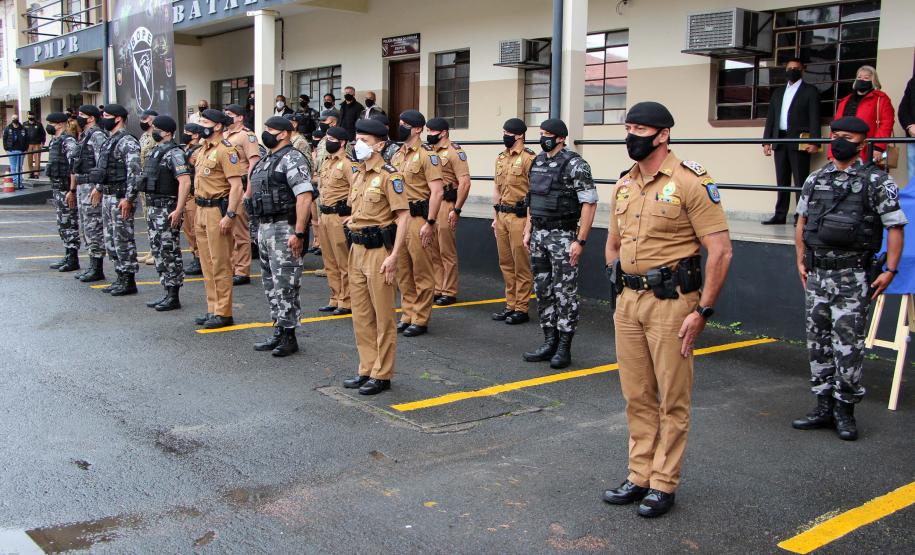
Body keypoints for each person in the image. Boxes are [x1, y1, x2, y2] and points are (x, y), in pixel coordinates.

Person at [602, 101, 732, 518]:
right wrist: (617, 279)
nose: (631, 136)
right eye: (628, 128)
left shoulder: (691, 181)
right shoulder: (624, 184)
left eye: (640, 129)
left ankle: (663, 483)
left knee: (672, 399)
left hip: (672, 304)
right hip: (629, 301)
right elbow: (613, 243)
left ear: (663, 135)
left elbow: (720, 251)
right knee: (636, 395)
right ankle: (639, 475)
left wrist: (703, 311)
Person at [792, 116, 907, 441]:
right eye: (836, 135)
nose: (840, 141)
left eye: (848, 137)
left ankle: (845, 410)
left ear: (863, 144)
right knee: (818, 343)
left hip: (853, 276)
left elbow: (895, 226)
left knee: (848, 346)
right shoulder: (816, 178)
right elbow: (802, 221)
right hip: (818, 274)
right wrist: (800, 259)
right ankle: (823, 406)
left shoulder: (877, 181)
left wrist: (890, 270)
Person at [521, 118, 597, 369]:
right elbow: (532, 199)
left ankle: (564, 347)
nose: (543, 138)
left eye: (548, 134)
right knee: (543, 290)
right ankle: (549, 341)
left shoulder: (576, 165)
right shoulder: (537, 162)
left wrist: (580, 240)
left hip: (563, 236)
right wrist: (528, 229)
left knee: (564, 292)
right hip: (539, 235)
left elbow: (589, 203)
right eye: (541, 133)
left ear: (561, 138)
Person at [340, 117, 409, 395]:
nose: (358, 144)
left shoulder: (391, 176)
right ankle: (366, 368)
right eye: (357, 139)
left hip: (379, 252)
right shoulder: (359, 173)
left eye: (364, 141)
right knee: (361, 315)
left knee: (383, 317)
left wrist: (394, 256)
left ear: (379, 145)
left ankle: (382, 373)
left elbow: (403, 218)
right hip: (356, 249)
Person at [247, 116, 316, 356]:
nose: (266, 133)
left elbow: (304, 197)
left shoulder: (293, 158)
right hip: (265, 227)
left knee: (286, 283)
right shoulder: (266, 160)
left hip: (284, 228)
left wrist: (299, 232)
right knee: (270, 283)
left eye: (271, 130)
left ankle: (289, 335)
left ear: (284, 133)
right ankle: (278, 329)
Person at [390, 110, 444, 337]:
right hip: (399, 219)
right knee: (403, 270)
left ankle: (420, 318)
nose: (400, 127)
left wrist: (430, 222)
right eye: (400, 123)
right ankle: (408, 313)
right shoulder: (397, 155)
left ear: (418, 129)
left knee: (421, 271)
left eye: (405, 124)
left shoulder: (427, 155)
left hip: (418, 218)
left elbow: (437, 192)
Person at [192, 108, 247, 329]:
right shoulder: (204, 149)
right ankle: (212, 308)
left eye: (205, 122)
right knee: (206, 263)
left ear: (217, 126)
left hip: (217, 210)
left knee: (220, 263)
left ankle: (223, 311)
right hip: (201, 208)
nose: (200, 125)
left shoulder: (226, 150)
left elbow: (236, 186)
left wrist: (230, 214)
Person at [137, 115, 192, 311]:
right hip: (154, 208)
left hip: (167, 208)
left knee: (169, 250)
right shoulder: (156, 151)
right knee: (158, 250)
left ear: (167, 132)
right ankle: (166, 290)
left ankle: (173, 295)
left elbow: (185, 182)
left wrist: (178, 209)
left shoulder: (174, 153)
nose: (153, 131)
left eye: (157, 128)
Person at [761, 58, 821, 225]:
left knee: (801, 180)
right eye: (789, 68)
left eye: (796, 68)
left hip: (799, 139)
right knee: (782, 179)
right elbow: (771, 118)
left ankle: (800, 217)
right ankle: (780, 215)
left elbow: (814, 117)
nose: (792, 71)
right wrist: (766, 141)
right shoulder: (778, 92)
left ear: (802, 70)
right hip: (780, 139)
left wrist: (815, 142)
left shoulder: (810, 91)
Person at [94, 104, 142, 296]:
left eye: (106, 116)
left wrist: (129, 198)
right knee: (111, 239)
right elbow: (104, 168)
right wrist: (99, 188)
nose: (103, 119)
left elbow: (134, 172)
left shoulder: (127, 141)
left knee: (123, 238)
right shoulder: (110, 140)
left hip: (120, 197)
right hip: (108, 195)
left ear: (118, 118)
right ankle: (120, 276)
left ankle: (129, 280)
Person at [492, 118, 536, 324]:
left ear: (519, 135)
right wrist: (495, 218)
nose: (505, 136)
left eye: (508, 133)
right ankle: (510, 304)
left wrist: (529, 225)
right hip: (502, 216)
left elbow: (534, 194)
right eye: (504, 132)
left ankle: (521, 307)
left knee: (521, 265)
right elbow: (496, 189)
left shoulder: (529, 159)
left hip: (520, 217)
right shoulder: (501, 157)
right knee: (506, 263)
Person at [425, 117, 471, 306]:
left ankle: (449, 290)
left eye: (431, 131)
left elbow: (465, 182)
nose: (428, 134)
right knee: (433, 249)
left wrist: (457, 209)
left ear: (443, 132)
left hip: (446, 204)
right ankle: (438, 288)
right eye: (427, 131)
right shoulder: (429, 151)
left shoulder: (454, 152)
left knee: (446, 250)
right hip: (432, 203)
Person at [316, 126, 357, 315]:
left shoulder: (348, 164)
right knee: (329, 260)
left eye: (332, 139)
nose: (328, 142)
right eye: (327, 139)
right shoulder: (327, 162)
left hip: (339, 217)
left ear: (342, 143)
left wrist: (350, 214)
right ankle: (335, 296)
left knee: (343, 260)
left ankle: (346, 300)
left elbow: (356, 189)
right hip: (324, 215)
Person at [70, 105, 108, 282]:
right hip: (82, 186)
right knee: (86, 226)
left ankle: (97, 268)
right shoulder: (85, 135)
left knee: (94, 226)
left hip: (91, 186)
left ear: (91, 118)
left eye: (82, 115)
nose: (78, 117)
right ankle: (92, 265)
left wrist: (98, 187)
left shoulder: (97, 135)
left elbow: (102, 163)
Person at [224, 103, 261, 284]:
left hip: (240, 184)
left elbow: (254, 163)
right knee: (227, 230)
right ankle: (231, 266)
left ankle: (242, 270)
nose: (227, 117)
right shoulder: (224, 135)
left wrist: (249, 191)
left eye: (230, 114)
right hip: (226, 187)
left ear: (240, 117)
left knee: (240, 230)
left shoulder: (247, 135)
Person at [833, 65, 894, 164]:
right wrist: (832, 153)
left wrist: (878, 147)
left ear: (873, 80)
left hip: (868, 148)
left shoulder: (881, 98)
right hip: (843, 147)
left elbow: (887, 123)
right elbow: (835, 127)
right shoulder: (845, 100)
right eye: (859, 77)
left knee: (866, 171)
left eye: (866, 78)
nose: (862, 80)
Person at [45, 112, 81, 272]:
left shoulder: (68, 141)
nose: (48, 127)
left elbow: (74, 166)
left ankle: (73, 259)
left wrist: (72, 190)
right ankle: (68, 255)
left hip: (66, 189)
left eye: (51, 124)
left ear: (59, 124)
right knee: (63, 223)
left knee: (69, 223)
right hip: (58, 188)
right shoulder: (55, 141)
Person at [181, 123, 205, 276]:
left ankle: (200, 258)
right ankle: (195, 255)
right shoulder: (187, 149)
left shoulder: (199, 151)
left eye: (187, 132)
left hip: (194, 195)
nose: (184, 134)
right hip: (186, 195)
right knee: (188, 228)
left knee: (195, 228)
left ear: (195, 135)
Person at [138, 109, 159, 266]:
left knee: (155, 219)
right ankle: (152, 249)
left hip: (153, 183)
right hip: (143, 182)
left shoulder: (157, 137)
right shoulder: (144, 137)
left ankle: (157, 251)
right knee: (147, 218)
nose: (144, 122)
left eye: (147, 119)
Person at [3, 114, 28, 189]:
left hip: (21, 151)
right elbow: (5, 139)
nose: (14, 119)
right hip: (11, 151)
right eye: (13, 118)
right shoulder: (8, 128)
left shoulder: (23, 128)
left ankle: (19, 183)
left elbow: (27, 139)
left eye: (16, 118)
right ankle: (14, 182)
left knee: (19, 167)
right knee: (13, 167)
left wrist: (25, 149)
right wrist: (6, 149)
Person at [898, 75, 915, 181]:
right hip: (913, 139)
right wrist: (909, 126)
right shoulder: (913, 83)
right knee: (913, 176)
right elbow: (903, 110)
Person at [23, 111, 46, 179]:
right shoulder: (24, 124)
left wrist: (42, 142)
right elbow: (23, 134)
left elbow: (43, 134)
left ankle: (36, 174)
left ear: (34, 116)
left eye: (31, 115)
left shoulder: (38, 124)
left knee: (37, 159)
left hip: (37, 144)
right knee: (29, 159)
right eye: (29, 115)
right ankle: (31, 173)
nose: (30, 117)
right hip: (28, 144)